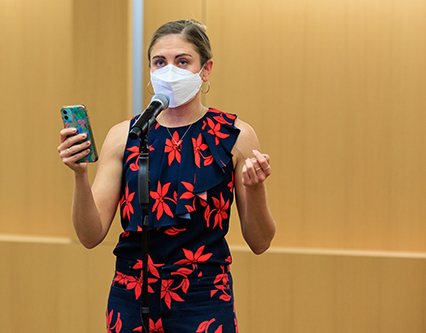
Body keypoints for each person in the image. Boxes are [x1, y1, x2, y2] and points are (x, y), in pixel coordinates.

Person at [58, 19, 275, 333]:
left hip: (203, 296)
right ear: (149, 70)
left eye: (182, 61)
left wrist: (255, 190)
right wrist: (79, 175)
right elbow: (90, 236)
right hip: (131, 296)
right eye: (160, 62)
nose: (169, 71)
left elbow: (261, 241)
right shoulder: (124, 136)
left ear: (206, 69)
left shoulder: (236, 136)